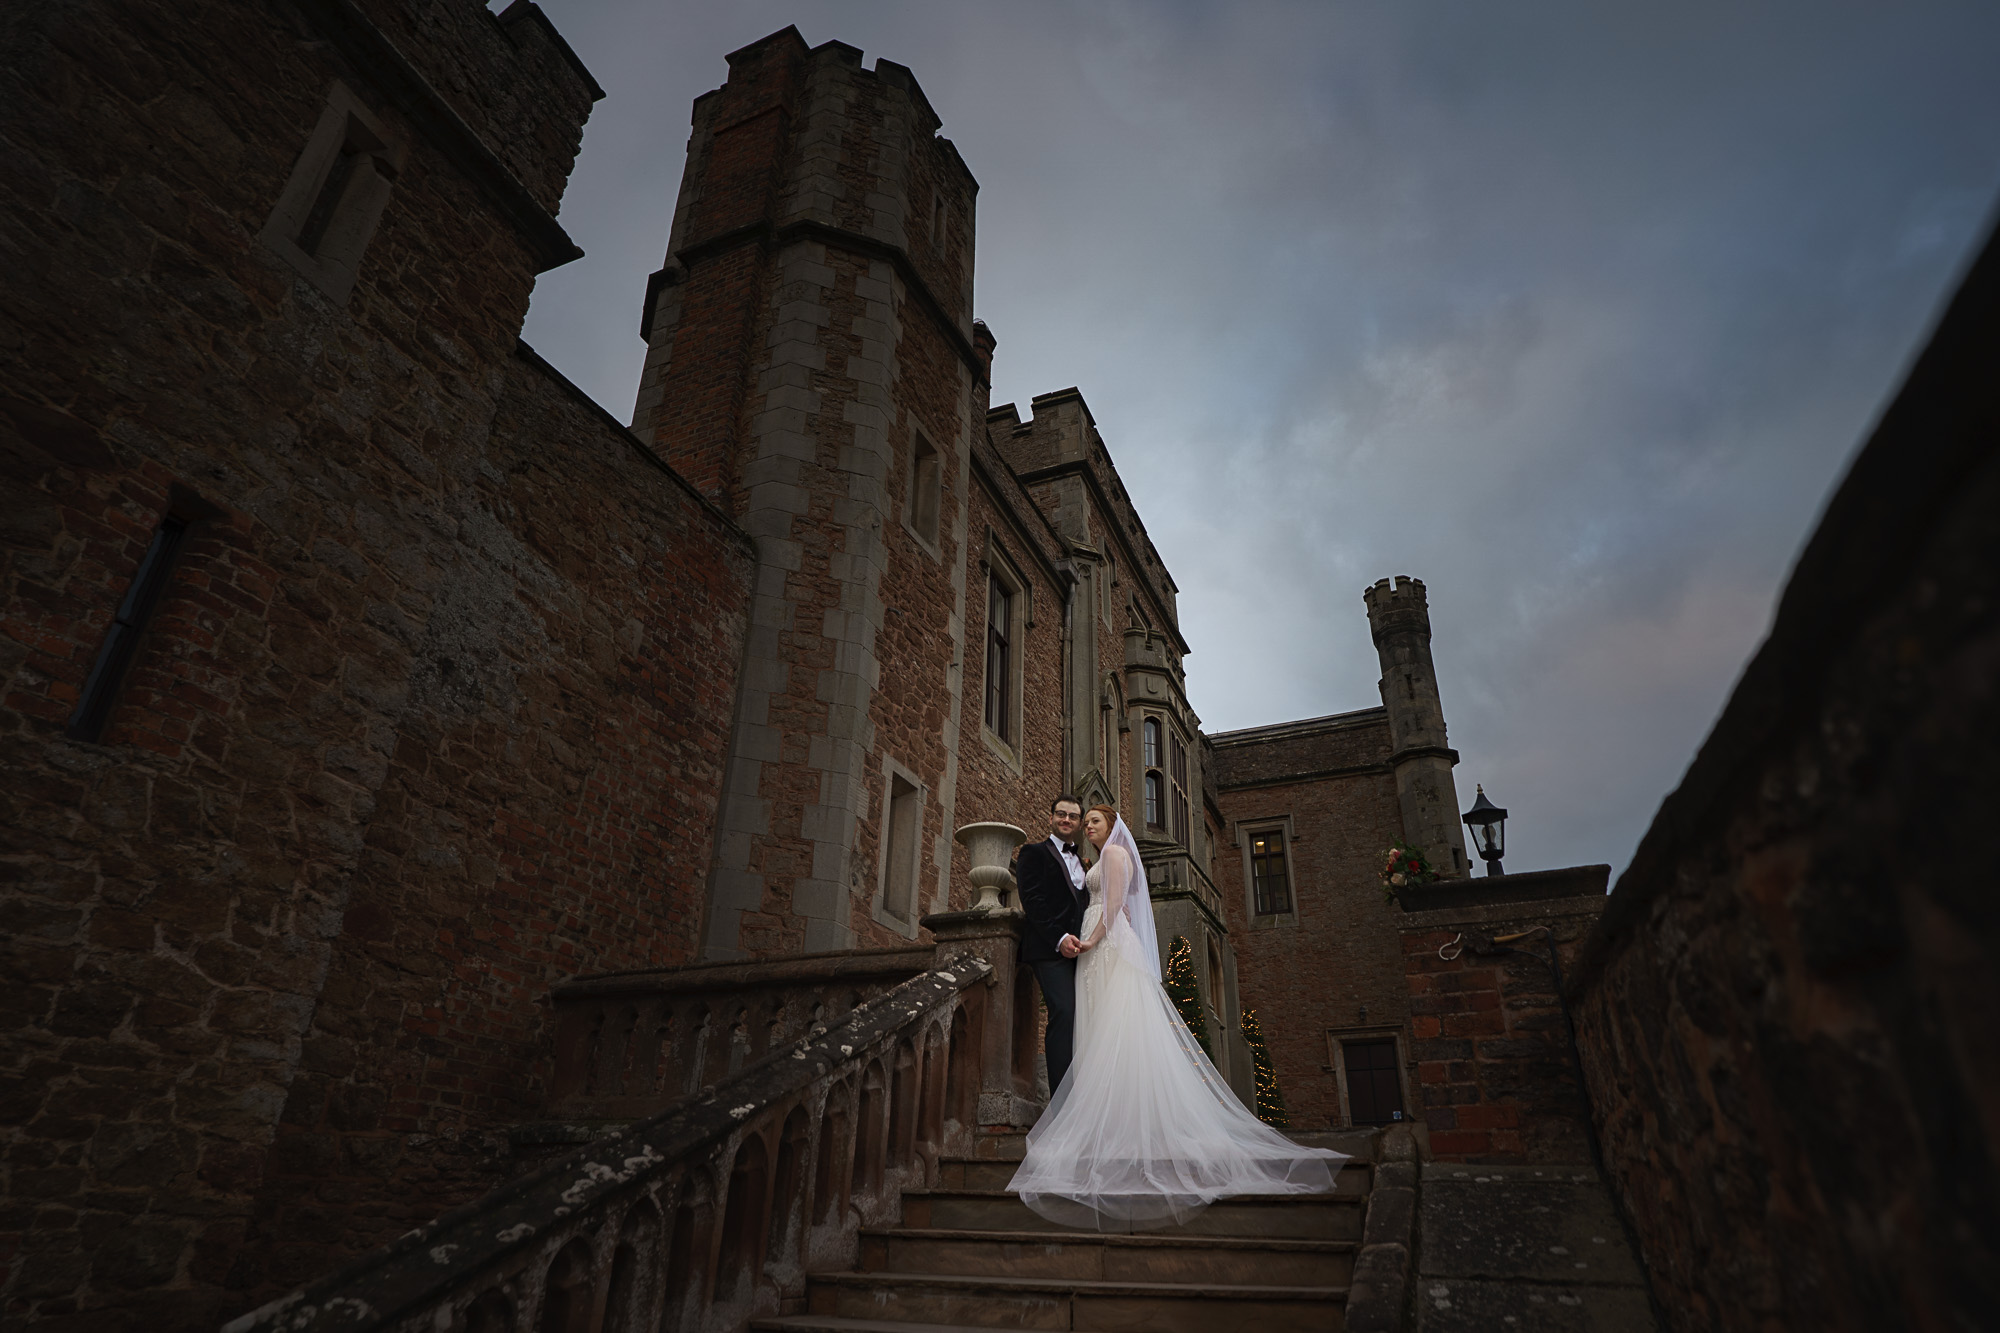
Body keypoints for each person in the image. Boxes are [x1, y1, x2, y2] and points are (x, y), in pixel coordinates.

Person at [1009, 804, 1348, 1230]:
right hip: (1083, 950)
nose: (1084, 825)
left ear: (1108, 826)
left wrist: (1094, 939)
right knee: (1095, 1028)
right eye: (1080, 819)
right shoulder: (1077, 857)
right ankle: (1093, 1110)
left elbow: (1112, 906)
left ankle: (1109, 1118)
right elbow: (1075, 900)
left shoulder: (1111, 856)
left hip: (1102, 946)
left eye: (1091, 820)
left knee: (1113, 1028)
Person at [1013, 795, 1090, 1093]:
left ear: (1079, 823)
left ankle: (1085, 1096)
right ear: (1051, 818)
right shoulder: (1033, 853)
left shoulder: (1083, 863)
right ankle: (1062, 1101)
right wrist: (1059, 939)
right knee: (1064, 1012)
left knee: (1084, 1020)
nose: (1066, 820)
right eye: (1061, 814)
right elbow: (1033, 901)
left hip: (1081, 952)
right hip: (1048, 950)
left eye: (1073, 816)